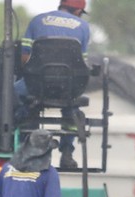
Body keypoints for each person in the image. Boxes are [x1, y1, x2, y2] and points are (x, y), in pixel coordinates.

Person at [15, 0, 91, 169]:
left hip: (36, 85)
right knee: (72, 108)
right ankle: (67, 153)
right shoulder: (84, 27)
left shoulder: (37, 20)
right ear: (78, 11)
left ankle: (24, 144)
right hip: (68, 88)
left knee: (12, 94)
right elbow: (83, 65)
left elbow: (24, 57)